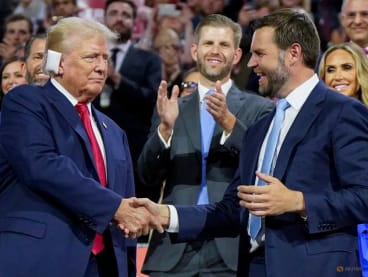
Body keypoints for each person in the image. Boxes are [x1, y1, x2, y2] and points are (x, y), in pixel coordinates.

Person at [133, 9, 368, 277]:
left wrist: (299, 201)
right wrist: (164, 215)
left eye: (259, 54)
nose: (250, 64)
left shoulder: (342, 112)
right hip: (254, 267)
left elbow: (364, 195)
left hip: (314, 268)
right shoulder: (260, 128)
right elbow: (233, 210)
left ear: (293, 53)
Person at [0, 16, 164, 277]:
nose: (102, 68)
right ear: (60, 63)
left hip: (105, 266)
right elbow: (42, 165)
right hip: (41, 261)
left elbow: (126, 203)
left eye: (105, 59)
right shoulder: (26, 102)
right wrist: (115, 208)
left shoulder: (114, 132)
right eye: (91, 58)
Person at [137, 13, 274, 277]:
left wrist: (230, 125)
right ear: (195, 50)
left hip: (231, 249)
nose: (215, 51)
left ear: (236, 56)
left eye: (223, 45)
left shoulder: (260, 109)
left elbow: (262, 168)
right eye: (208, 43)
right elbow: (146, 177)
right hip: (172, 249)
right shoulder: (172, 106)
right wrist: (165, 130)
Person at [95, 0, 162, 201]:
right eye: (114, 13)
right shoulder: (89, 56)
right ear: (104, 18)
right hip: (94, 142)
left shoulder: (148, 59)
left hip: (133, 148)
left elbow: (152, 99)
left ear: (134, 22)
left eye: (125, 15)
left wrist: (117, 79)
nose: (119, 18)